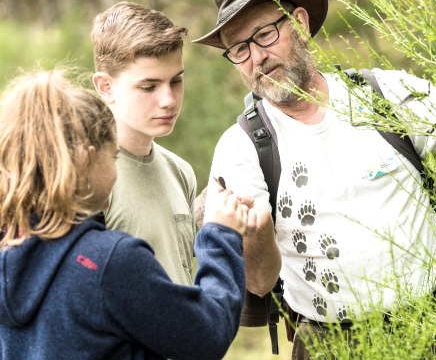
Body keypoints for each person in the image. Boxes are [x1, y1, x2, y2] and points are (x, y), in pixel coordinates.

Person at [191, 0, 436, 359]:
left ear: (300, 24)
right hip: (332, 344)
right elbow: (259, 283)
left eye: (263, 35)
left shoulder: (384, 96)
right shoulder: (241, 147)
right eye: (239, 49)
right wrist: (256, 233)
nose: (256, 57)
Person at [0, 70, 250, 360]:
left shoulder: (8, 249)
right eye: (113, 157)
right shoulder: (110, 261)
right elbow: (207, 336)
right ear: (86, 158)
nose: (116, 171)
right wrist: (220, 234)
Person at [91, 1, 196, 285]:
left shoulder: (181, 172)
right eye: (149, 86)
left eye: (176, 81)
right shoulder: (85, 178)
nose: (169, 100)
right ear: (106, 87)